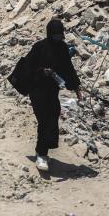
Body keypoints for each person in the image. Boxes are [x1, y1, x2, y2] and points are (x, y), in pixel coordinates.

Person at [22, 18, 81, 172]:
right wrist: (42, 71)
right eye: (55, 35)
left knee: (53, 115)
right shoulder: (39, 47)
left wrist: (76, 88)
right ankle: (41, 154)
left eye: (59, 35)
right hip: (37, 89)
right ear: (50, 34)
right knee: (44, 119)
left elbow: (68, 69)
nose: (57, 38)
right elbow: (27, 67)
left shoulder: (62, 48)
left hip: (51, 90)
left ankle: (42, 151)